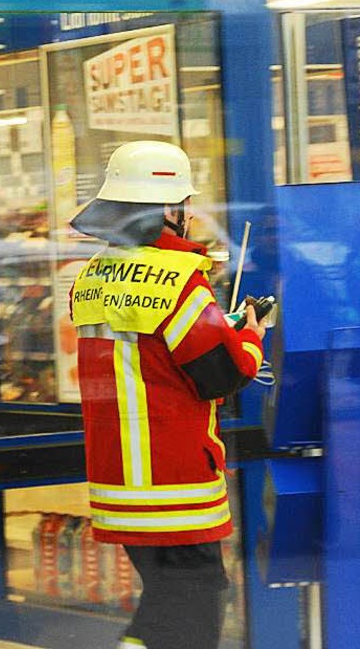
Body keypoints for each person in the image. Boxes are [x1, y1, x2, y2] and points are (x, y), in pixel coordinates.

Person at [68, 141, 266, 649]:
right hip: (173, 482)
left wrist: (218, 325)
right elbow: (220, 375)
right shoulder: (180, 282)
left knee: (167, 601)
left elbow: (147, 354)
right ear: (170, 210)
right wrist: (251, 334)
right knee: (196, 605)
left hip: (117, 480)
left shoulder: (89, 277)